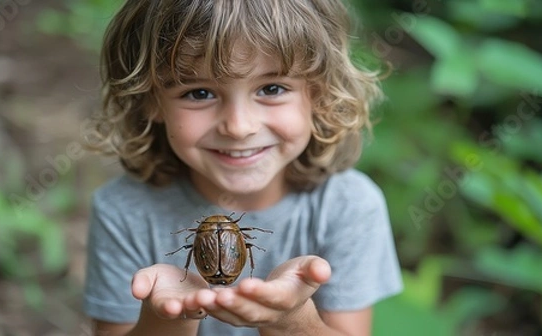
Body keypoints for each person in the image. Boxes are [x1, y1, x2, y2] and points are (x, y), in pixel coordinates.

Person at [83, 0, 403, 335]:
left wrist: (292, 322)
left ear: (319, 93)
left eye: (271, 88)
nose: (238, 127)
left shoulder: (349, 205)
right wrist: (168, 317)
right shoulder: (122, 210)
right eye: (199, 93)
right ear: (149, 100)